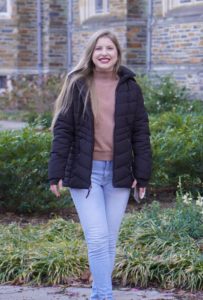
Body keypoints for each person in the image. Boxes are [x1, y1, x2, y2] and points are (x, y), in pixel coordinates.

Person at [48, 29, 152, 300]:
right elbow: (63, 131)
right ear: (91, 54)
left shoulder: (130, 87)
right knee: (97, 239)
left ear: (117, 54)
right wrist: (55, 172)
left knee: (109, 241)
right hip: (86, 174)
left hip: (118, 175)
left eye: (110, 48)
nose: (104, 53)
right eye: (99, 48)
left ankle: (100, 294)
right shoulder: (78, 84)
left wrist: (142, 176)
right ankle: (103, 296)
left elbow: (140, 133)